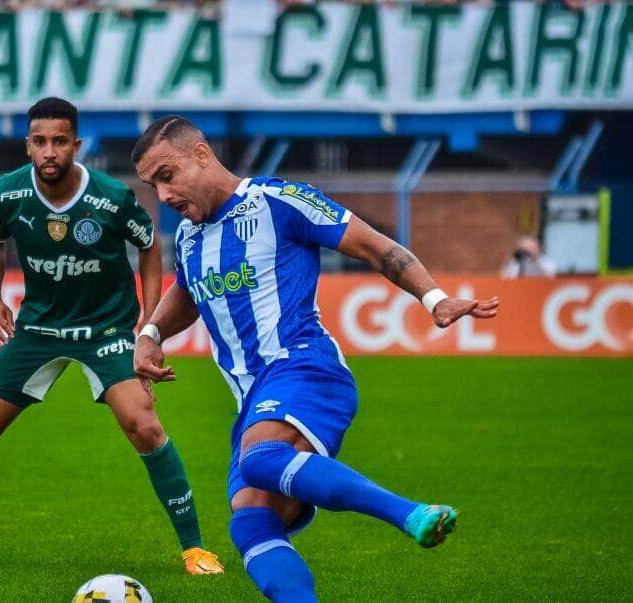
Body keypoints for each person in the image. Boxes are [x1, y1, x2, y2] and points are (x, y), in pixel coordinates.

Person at [131, 116, 499, 602]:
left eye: (167, 175)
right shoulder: (190, 237)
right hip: (252, 398)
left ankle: (410, 513)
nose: (163, 195)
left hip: (305, 367)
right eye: (152, 184)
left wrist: (434, 299)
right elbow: (188, 292)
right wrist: (152, 332)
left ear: (201, 154)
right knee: (252, 523)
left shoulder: (278, 202)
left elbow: (376, 247)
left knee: (260, 460)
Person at [0, 99, 223, 575]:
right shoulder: (8, 194)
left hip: (105, 328)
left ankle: (194, 549)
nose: (49, 151)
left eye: (59, 141)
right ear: (28, 145)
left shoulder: (110, 197)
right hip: (38, 329)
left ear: (76, 146)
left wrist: (148, 321)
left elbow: (148, 246)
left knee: (144, 427)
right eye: (39, 141)